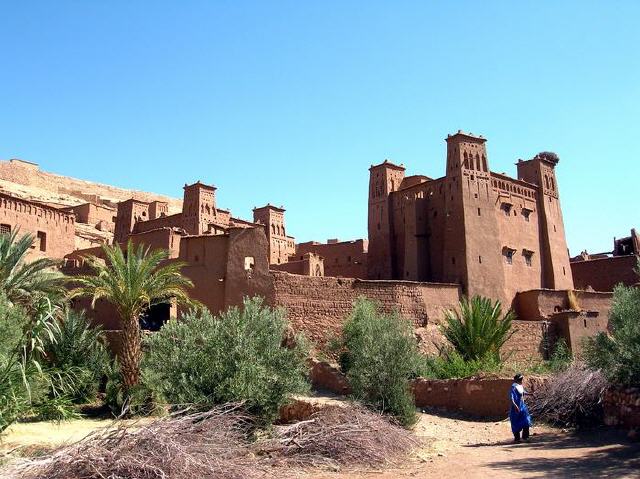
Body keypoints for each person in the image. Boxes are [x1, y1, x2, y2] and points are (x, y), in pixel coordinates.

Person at [509, 373, 532, 443]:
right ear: (517, 380)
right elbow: (511, 398)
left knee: (526, 421)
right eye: (520, 379)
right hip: (516, 409)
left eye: (521, 379)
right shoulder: (513, 387)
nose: (521, 380)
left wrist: (530, 394)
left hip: (522, 407)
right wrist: (515, 406)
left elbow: (522, 392)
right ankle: (517, 438)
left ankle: (525, 437)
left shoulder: (519, 386)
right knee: (516, 423)